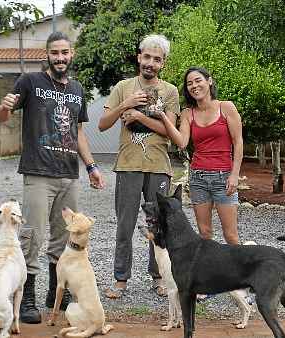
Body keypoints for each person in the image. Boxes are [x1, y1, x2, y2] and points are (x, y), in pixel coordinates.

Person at [0, 31, 104, 323]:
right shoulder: (30, 82)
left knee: (63, 236)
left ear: (72, 54)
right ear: (47, 54)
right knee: (33, 234)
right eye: (55, 52)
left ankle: (56, 293)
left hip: (69, 174)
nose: (60, 58)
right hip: (38, 172)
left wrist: (91, 167)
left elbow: (78, 133)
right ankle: (27, 297)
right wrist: (3, 108)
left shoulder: (77, 89)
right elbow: (2, 116)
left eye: (64, 52)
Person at [98, 34, 180, 299]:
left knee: (159, 224)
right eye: (147, 57)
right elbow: (102, 124)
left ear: (163, 63)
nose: (151, 63)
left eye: (157, 59)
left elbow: (169, 132)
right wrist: (126, 105)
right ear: (139, 57)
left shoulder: (170, 91)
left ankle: (159, 277)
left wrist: (138, 118)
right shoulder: (123, 86)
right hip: (128, 165)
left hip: (158, 166)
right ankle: (121, 279)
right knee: (125, 224)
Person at [157, 66, 243, 249]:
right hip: (198, 178)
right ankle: (209, 275)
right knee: (204, 233)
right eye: (189, 83)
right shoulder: (188, 113)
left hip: (224, 177)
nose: (194, 86)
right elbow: (181, 142)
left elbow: (238, 142)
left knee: (231, 235)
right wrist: (162, 116)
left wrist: (235, 174)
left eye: (198, 81)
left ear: (209, 81)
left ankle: (241, 275)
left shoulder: (226, 107)